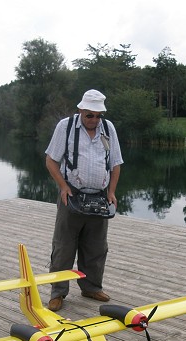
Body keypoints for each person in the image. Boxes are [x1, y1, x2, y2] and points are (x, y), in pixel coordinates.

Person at [44, 89, 123, 312]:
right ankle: (58, 293)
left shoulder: (108, 129)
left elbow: (116, 163)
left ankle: (91, 287)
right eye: (90, 115)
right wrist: (63, 186)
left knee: (97, 247)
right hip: (72, 196)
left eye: (99, 116)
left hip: (100, 196)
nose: (95, 120)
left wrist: (112, 192)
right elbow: (51, 160)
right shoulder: (65, 127)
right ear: (80, 111)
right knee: (64, 247)